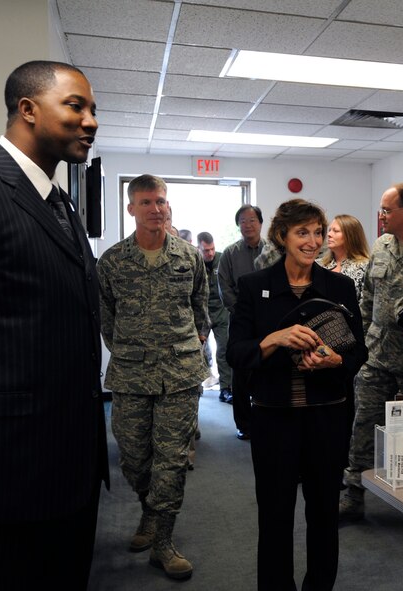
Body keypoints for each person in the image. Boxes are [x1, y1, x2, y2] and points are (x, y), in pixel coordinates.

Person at [0, 60, 108, 590]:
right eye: (75, 105)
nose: (91, 121)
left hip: (67, 470)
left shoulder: (61, 203)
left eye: (93, 109)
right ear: (28, 110)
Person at [226, 198, 367, 591]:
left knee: (324, 516)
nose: (313, 241)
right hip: (274, 419)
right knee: (275, 517)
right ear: (281, 236)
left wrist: (334, 359)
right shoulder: (254, 287)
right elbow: (236, 353)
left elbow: (358, 352)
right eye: (302, 232)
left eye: (318, 232)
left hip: (327, 418)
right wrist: (274, 338)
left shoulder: (338, 286)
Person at [97, 174, 209, 580]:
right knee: (133, 457)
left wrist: (194, 345)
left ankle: (163, 540)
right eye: (146, 202)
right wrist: (131, 347)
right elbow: (106, 318)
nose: (155, 209)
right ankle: (149, 510)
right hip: (130, 373)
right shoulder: (111, 261)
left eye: (160, 201)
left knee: (172, 460)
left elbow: (200, 308)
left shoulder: (188, 256)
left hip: (179, 373)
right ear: (131, 209)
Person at [340, 183, 403, 521]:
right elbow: (369, 296)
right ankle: (354, 493)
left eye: (386, 210)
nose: (381, 216)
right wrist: (363, 336)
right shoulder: (382, 245)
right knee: (363, 424)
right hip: (378, 355)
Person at [217, 204, 268, 436]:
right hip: (240, 319)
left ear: (260, 223)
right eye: (243, 221)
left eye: (252, 220)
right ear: (238, 225)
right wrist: (241, 310)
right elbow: (224, 285)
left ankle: (266, 421)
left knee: (266, 369)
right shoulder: (230, 253)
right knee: (240, 373)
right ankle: (244, 425)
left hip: (268, 319)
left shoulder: (273, 251)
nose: (248, 225)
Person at [197, 231, 231, 401]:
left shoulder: (222, 259)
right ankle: (195, 387)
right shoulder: (194, 262)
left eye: (212, 249)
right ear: (199, 248)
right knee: (196, 352)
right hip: (202, 313)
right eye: (206, 250)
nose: (210, 253)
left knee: (224, 349)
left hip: (220, 311)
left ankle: (226, 388)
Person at [318, 213, 371, 301]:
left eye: (335, 231)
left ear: (350, 236)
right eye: (330, 230)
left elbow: (367, 304)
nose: (329, 234)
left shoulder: (365, 267)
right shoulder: (319, 265)